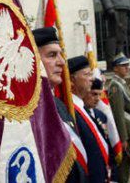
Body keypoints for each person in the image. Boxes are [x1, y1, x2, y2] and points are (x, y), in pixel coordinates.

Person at [32, 27, 88, 183]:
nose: (62, 62)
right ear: (33, 60)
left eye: (61, 54)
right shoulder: (28, 113)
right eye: (52, 55)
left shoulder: (59, 105)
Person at [69, 56, 109, 183]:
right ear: (71, 79)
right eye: (87, 74)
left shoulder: (83, 109)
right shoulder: (70, 112)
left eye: (91, 74)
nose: (92, 78)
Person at [108, 53, 130, 183]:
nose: (127, 68)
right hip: (126, 132)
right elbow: (118, 113)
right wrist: (123, 138)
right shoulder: (115, 86)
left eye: (127, 65)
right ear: (115, 68)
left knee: (127, 166)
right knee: (123, 167)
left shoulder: (122, 83)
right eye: (123, 66)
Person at [83, 78, 119, 182]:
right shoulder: (77, 116)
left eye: (100, 94)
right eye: (94, 94)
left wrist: (113, 177)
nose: (98, 98)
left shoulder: (101, 116)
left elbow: (109, 146)